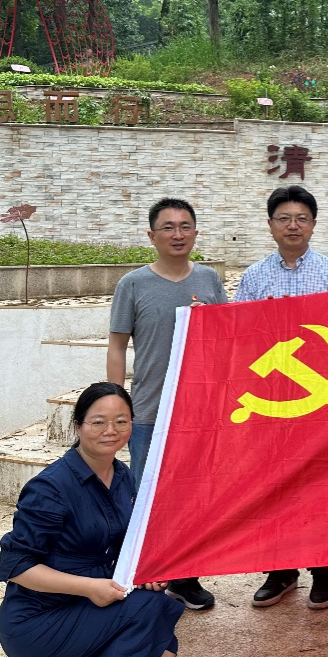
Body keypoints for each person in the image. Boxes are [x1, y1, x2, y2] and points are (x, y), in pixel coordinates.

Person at [0, 382, 183, 657]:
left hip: (83, 607)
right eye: (98, 422)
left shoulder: (122, 475)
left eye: (121, 421)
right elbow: (16, 565)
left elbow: (125, 541)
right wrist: (89, 587)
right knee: (148, 608)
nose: (111, 430)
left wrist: (147, 572)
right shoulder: (51, 487)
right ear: (78, 425)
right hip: (37, 619)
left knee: (161, 653)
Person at [235, 184, 328, 610]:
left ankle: (325, 573)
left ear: (314, 224)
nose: (293, 226)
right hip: (273, 403)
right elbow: (239, 337)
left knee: (324, 488)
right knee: (275, 488)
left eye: (302, 218)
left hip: (323, 401)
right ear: (270, 225)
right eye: (284, 218)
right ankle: (280, 570)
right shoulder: (253, 278)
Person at [108, 198, 228, 612]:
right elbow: (117, 345)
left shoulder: (209, 280)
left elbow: (227, 340)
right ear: (152, 235)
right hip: (149, 411)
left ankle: (184, 577)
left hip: (199, 413)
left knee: (193, 496)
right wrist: (115, 402)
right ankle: (145, 576)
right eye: (168, 227)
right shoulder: (133, 284)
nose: (178, 235)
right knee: (148, 497)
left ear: (195, 232)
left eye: (185, 226)